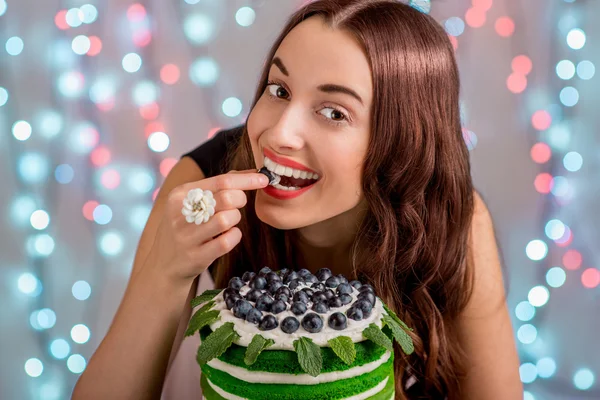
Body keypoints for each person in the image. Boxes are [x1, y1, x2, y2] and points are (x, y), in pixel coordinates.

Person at [72, 0, 522, 399]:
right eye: (279, 90)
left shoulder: (452, 220)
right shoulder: (202, 186)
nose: (279, 133)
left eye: (334, 113)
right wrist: (165, 272)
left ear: (402, 145)